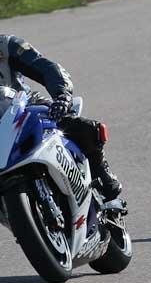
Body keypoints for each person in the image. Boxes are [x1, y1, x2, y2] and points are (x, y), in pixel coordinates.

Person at [0, 35, 121, 199]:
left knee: (80, 127)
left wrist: (62, 95)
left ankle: (99, 172)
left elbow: (46, 67)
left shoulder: (6, 45)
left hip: (24, 110)